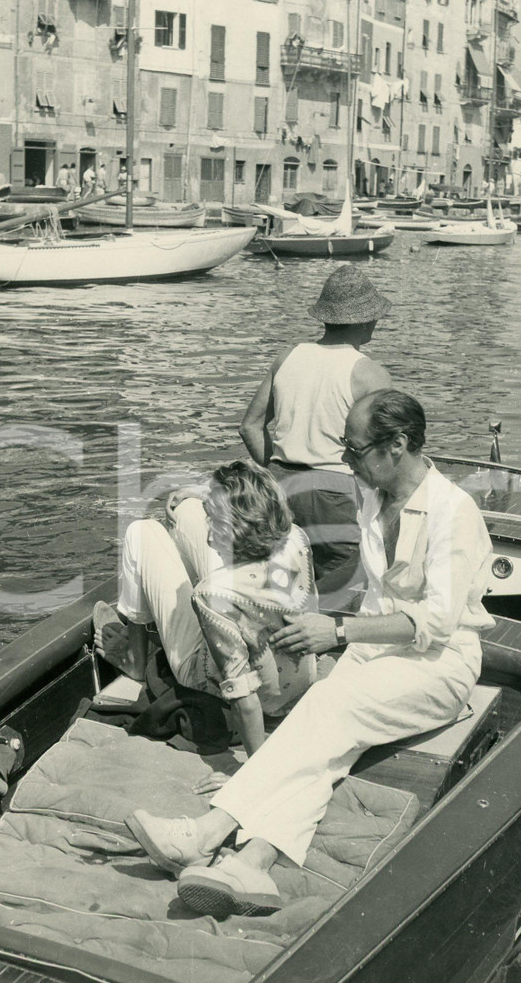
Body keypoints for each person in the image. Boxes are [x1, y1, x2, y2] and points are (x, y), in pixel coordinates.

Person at [129, 388, 496, 919]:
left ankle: (207, 831)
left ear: (396, 445)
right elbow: (269, 510)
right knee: (327, 747)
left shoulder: (452, 514)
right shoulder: (374, 496)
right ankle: (253, 864)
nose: (344, 459)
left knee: (325, 712)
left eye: (353, 449)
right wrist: (192, 497)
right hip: (379, 654)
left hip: (441, 664)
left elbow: (435, 624)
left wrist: (340, 633)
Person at [96, 460, 320, 764]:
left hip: (238, 690)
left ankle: (134, 659)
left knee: (141, 530)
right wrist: (201, 493)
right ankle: (187, 536)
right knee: (185, 505)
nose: (207, 530)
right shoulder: (297, 538)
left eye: (212, 520)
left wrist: (256, 772)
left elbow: (245, 698)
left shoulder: (211, 595)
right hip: (299, 683)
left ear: (228, 528)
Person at [239, 264, 392, 607]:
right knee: (350, 582)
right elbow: (386, 454)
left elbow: (250, 426)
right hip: (336, 492)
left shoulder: (288, 357)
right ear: (365, 320)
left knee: (286, 582)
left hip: (280, 487)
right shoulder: (369, 373)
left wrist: (278, 470)